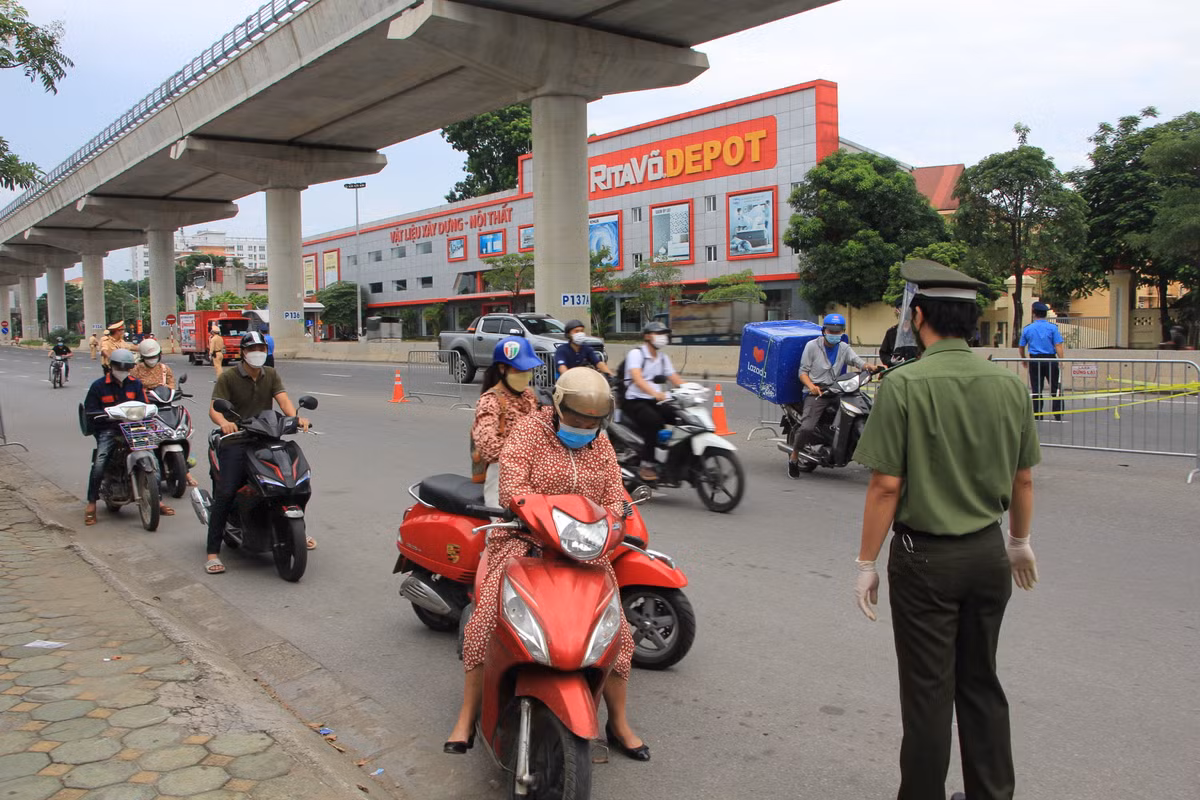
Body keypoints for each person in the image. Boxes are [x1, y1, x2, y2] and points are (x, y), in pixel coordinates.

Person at [851, 259, 1041, 800]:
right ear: (974, 321)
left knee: (928, 695)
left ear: (918, 317)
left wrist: (866, 563)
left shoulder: (905, 384)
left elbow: (886, 486)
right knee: (982, 684)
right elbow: (1022, 478)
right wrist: (1019, 542)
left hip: (925, 559)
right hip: (988, 554)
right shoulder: (1007, 385)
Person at [446, 367, 648, 762]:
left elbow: (612, 495)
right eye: (577, 418)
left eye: (594, 420)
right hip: (527, 544)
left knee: (618, 636)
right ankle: (468, 714)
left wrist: (616, 517)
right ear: (558, 406)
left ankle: (618, 721)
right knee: (485, 622)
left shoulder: (600, 444)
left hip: (586, 554)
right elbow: (512, 487)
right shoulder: (528, 433)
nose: (585, 426)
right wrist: (530, 514)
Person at [204, 331, 312, 574]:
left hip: (266, 436)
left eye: (262, 349)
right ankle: (212, 552)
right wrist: (224, 423)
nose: (258, 353)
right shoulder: (230, 376)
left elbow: (283, 401)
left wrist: (296, 418)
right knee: (227, 491)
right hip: (237, 439)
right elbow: (215, 409)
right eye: (253, 349)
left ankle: (295, 531)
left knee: (292, 482)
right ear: (243, 352)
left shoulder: (270, 373)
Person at [82, 349, 175, 525]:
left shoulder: (135, 385)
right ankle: (92, 503)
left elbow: (145, 405)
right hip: (110, 430)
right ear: (112, 367)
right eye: (120, 367)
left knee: (152, 459)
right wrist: (101, 414)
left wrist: (150, 412)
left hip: (134, 428)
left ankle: (158, 500)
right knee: (100, 461)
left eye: (127, 367)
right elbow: (90, 410)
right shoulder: (98, 386)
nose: (123, 370)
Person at [787, 313, 883, 478]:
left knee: (864, 408)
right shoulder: (812, 346)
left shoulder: (844, 348)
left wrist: (871, 367)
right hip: (817, 392)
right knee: (808, 427)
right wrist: (811, 386)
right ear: (824, 331)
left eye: (838, 332)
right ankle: (794, 457)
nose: (834, 335)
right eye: (831, 331)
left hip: (837, 389)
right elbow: (802, 372)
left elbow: (858, 362)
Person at [471, 337, 540, 507]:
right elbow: (488, 447)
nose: (526, 374)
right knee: (501, 530)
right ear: (503, 368)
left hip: (534, 473)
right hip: (502, 475)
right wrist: (525, 451)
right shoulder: (490, 401)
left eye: (529, 369)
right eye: (520, 370)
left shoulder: (529, 395)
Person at [621, 321, 685, 481]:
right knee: (654, 422)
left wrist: (691, 388)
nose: (663, 337)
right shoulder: (637, 354)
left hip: (654, 400)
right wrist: (656, 393)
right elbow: (637, 379)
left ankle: (675, 459)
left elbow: (674, 377)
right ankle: (647, 465)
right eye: (659, 333)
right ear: (648, 336)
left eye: (664, 334)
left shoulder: (663, 358)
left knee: (681, 417)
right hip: (634, 400)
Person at [1018, 301, 1065, 422]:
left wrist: (1024, 359)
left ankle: (1038, 413)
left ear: (1034, 313)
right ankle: (1057, 412)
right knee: (1055, 387)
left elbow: (1021, 346)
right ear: (1045, 314)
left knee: (1036, 388)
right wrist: (1061, 360)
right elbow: (1058, 345)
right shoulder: (1052, 328)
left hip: (1035, 360)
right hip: (1050, 359)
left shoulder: (1028, 329)